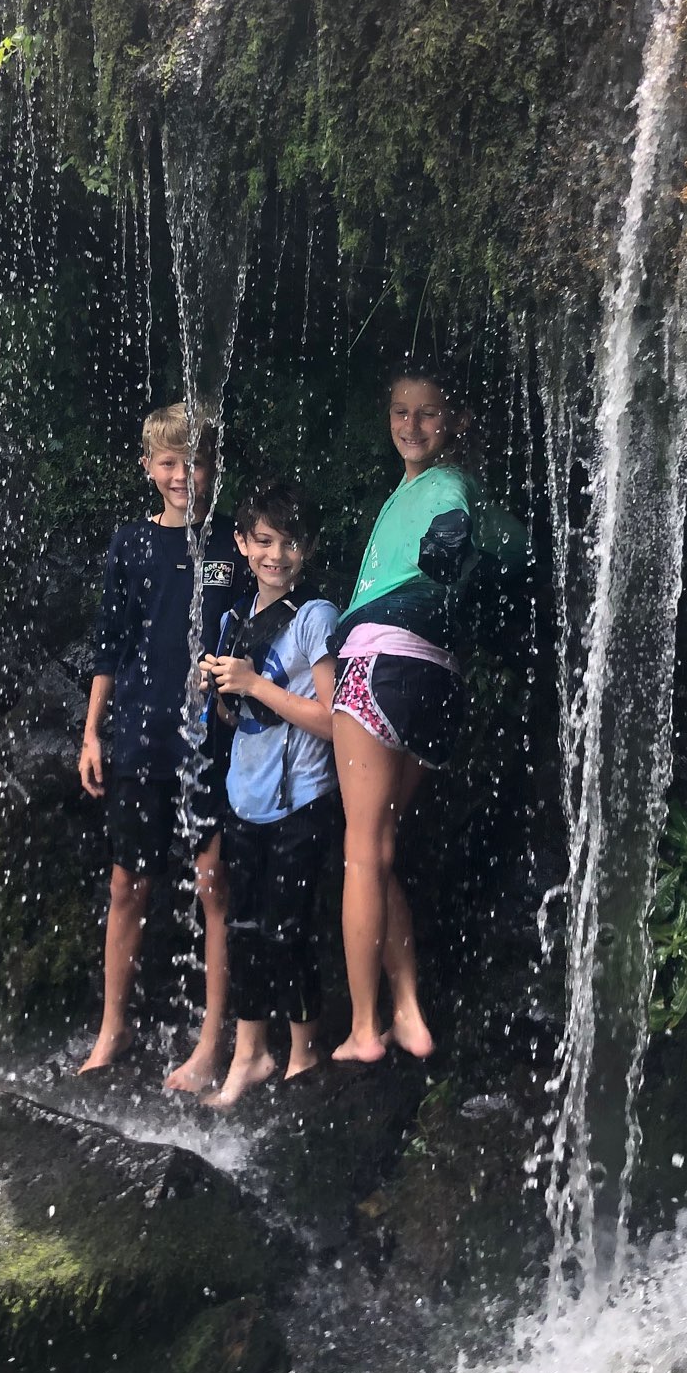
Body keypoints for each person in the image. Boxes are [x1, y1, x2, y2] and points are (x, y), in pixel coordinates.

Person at [78, 403, 244, 1087]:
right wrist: (91, 732)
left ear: (212, 469)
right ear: (148, 467)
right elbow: (109, 643)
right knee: (128, 881)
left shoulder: (234, 545)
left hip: (210, 736)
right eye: (169, 463)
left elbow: (255, 629)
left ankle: (211, 1042)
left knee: (213, 882)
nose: (182, 476)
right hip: (142, 732)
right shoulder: (132, 544)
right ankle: (112, 1028)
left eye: (194, 464)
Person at [328, 363, 475, 1065]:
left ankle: (365, 1027)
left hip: (381, 663)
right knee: (381, 849)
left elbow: (453, 521)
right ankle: (409, 1013)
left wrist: (446, 546)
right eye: (399, 411)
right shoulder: (409, 490)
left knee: (361, 851)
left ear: (455, 422)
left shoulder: (445, 484)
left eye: (428, 412)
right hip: (436, 680)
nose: (411, 426)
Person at [199, 482, 339, 1107]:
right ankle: (249, 1053)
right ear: (241, 543)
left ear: (307, 549)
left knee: (289, 930)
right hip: (245, 798)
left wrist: (254, 683)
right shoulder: (233, 621)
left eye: (289, 543)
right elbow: (237, 719)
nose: (276, 556)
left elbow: (334, 721)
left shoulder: (315, 618)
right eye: (263, 541)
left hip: (302, 799)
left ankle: (303, 1054)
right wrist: (222, 691)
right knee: (245, 929)